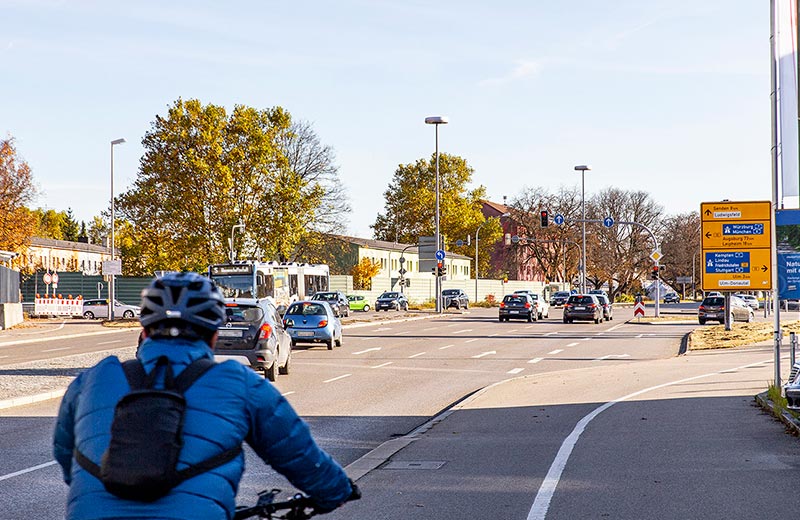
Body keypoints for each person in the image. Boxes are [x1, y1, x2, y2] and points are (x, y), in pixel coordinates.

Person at [53, 272, 357, 519]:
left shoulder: (91, 380)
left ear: (144, 332)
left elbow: (66, 455)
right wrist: (335, 491)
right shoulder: (239, 384)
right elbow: (298, 454)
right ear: (213, 335)